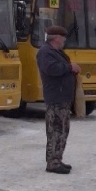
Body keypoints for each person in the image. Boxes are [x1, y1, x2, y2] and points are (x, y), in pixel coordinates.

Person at [36, 25, 81, 174]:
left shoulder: (56, 52)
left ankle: (57, 159)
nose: (64, 40)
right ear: (56, 38)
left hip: (62, 98)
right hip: (56, 98)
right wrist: (69, 67)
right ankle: (53, 163)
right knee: (55, 130)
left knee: (62, 130)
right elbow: (51, 69)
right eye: (63, 38)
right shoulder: (45, 52)